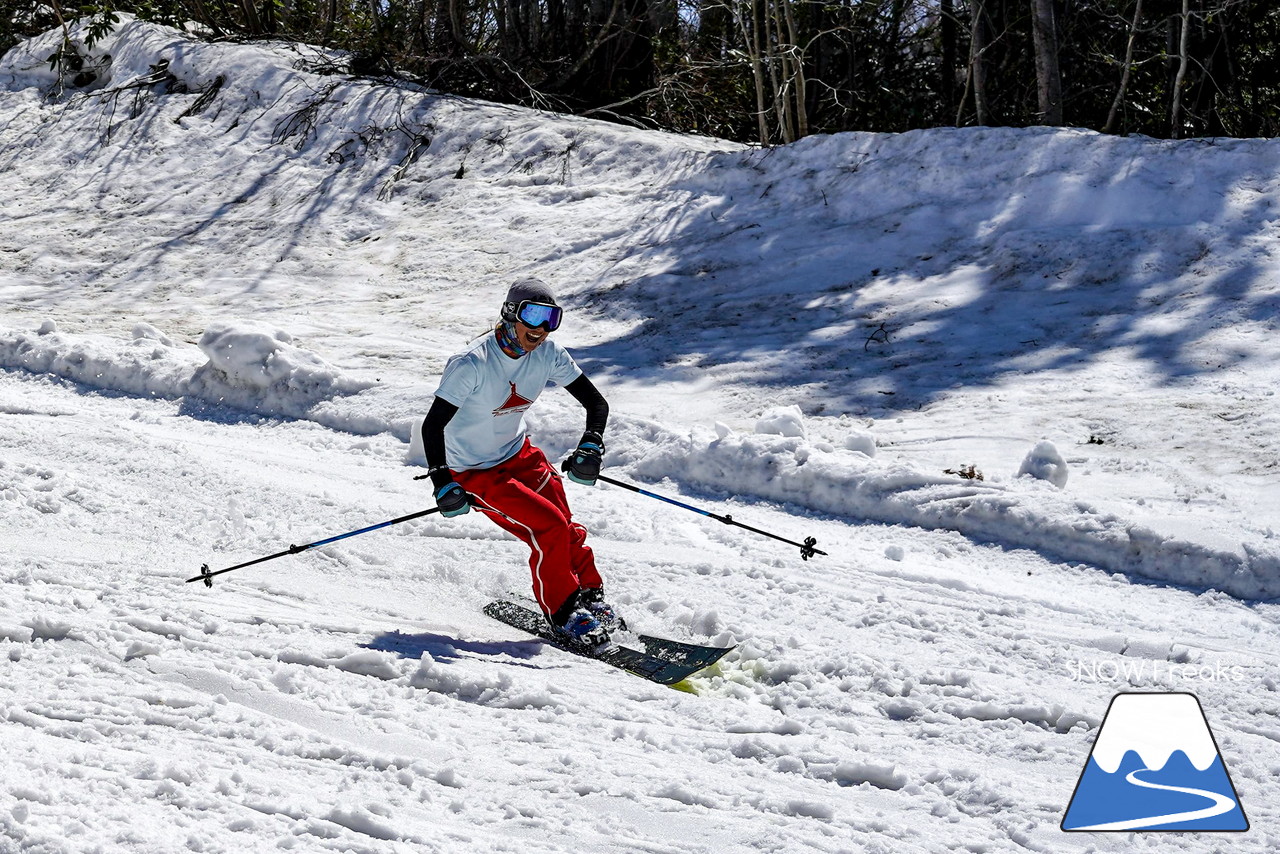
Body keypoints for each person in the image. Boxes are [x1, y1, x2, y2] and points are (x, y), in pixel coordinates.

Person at [422, 278, 620, 650]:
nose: (541, 329)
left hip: (520, 455)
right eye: (533, 316)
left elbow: (597, 404)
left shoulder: (548, 354)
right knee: (549, 528)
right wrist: (442, 480)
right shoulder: (473, 363)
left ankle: (589, 593)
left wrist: (592, 443)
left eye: (551, 319)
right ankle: (563, 613)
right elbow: (433, 425)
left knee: (567, 525)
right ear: (511, 313)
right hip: (475, 472)